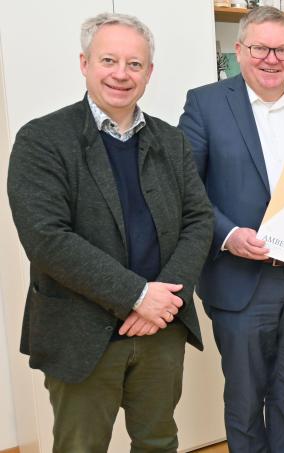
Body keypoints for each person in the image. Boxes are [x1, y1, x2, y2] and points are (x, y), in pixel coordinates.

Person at [6, 13, 213, 452]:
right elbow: (47, 238)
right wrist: (139, 295)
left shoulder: (171, 141)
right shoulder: (42, 139)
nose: (121, 73)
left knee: (158, 441)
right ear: (84, 63)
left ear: (149, 72)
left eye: (135, 64)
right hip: (80, 332)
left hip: (160, 329)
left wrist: (163, 301)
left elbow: (199, 221)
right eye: (108, 60)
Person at [177, 6, 284, 452]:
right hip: (239, 280)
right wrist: (229, 235)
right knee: (244, 401)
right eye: (260, 48)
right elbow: (185, 188)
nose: (272, 59)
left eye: (282, 49)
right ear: (239, 50)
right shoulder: (206, 103)